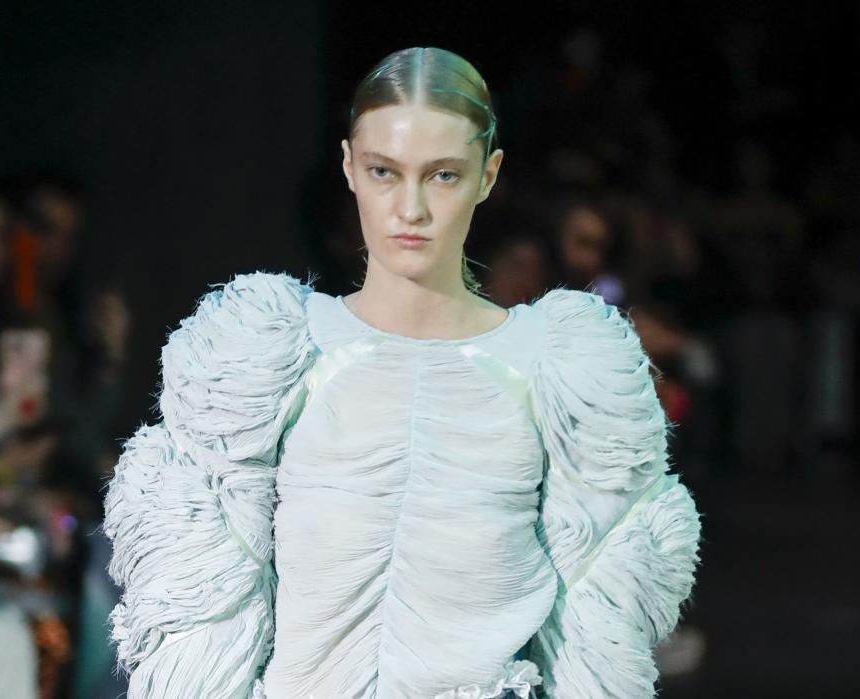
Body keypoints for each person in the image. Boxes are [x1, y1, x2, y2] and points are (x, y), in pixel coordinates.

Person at [103, 47, 702, 699]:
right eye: (385, 171)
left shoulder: (551, 365)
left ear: (488, 175)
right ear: (349, 167)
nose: (410, 208)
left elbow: (594, 617)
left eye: (443, 174)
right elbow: (206, 599)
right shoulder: (271, 355)